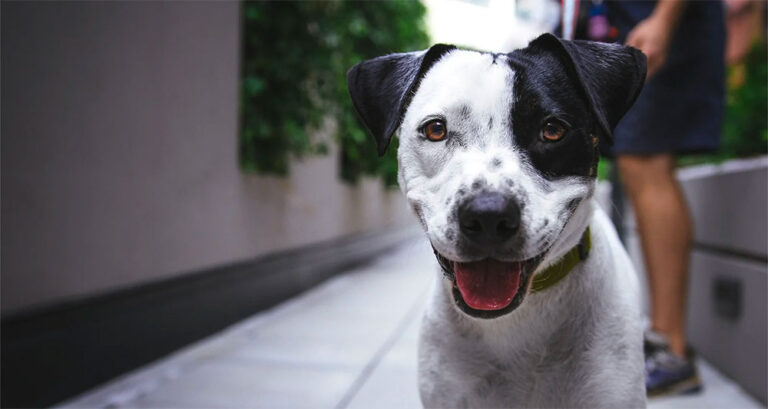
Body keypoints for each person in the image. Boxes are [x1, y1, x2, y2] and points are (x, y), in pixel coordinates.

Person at [601, 0, 726, 398]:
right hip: (636, 23)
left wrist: (664, 18)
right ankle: (662, 344)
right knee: (636, 160)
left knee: (646, 158)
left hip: (658, 23)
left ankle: (671, 350)